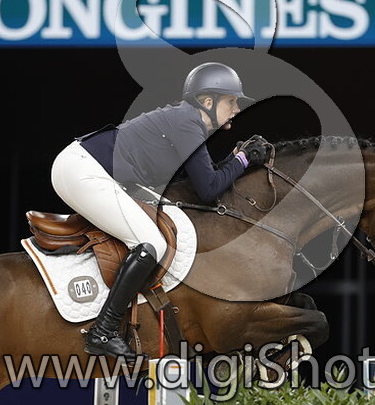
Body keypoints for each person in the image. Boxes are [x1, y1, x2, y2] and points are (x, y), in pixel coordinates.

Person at [51, 62, 270, 361]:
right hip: (84, 171)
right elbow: (208, 190)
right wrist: (242, 160)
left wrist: (235, 160)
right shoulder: (187, 123)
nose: (236, 109)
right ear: (208, 101)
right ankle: (103, 331)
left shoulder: (187, 121)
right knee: (151, 243)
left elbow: (205, 181)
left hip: (91, 168)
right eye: (231, 101)